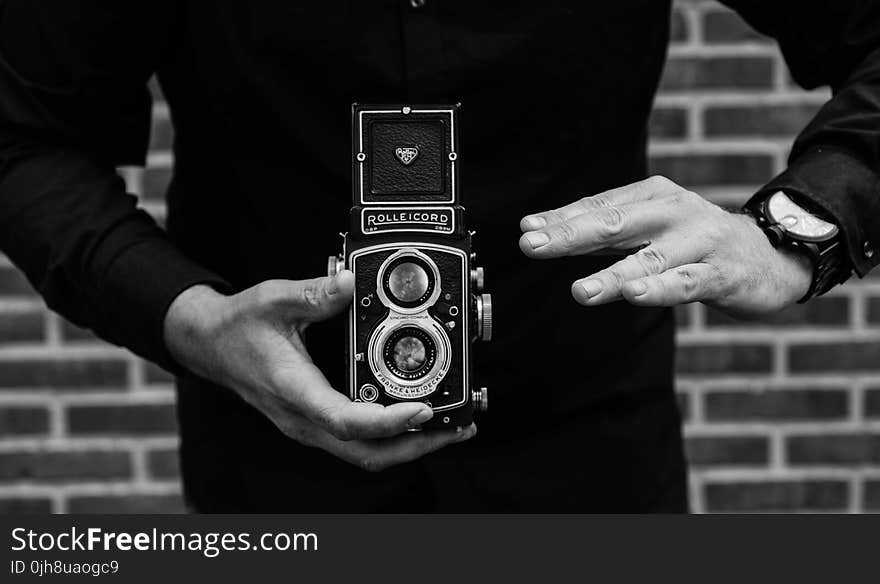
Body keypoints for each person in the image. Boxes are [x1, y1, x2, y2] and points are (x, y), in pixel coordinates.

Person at [0, 1, 877, 512]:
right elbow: (25, 136)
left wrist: (794, 236)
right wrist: (195, 323)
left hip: (588, 444)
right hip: (268, 447)